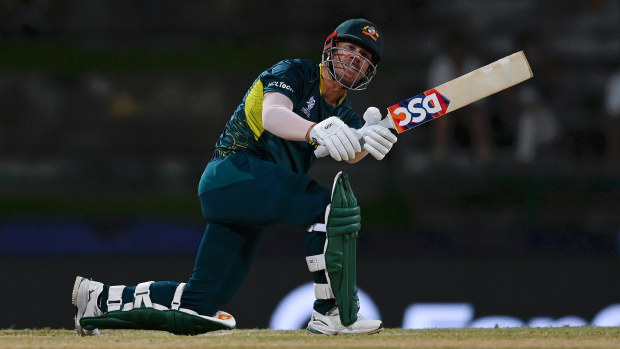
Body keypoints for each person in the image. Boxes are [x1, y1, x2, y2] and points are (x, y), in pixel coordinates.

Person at [71, 18, 397, 336]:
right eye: (351, 48)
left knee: (201, 303)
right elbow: (273, 115)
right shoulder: (295, 71)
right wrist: (315, 130)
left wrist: (371, 137)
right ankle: (332, 313)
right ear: (331, 46)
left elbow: (351, 149)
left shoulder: (342, 108)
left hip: (249, 193)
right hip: (234, 174)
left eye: (366, 57)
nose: (356, 58)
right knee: (329, 206)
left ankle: (97, 300)